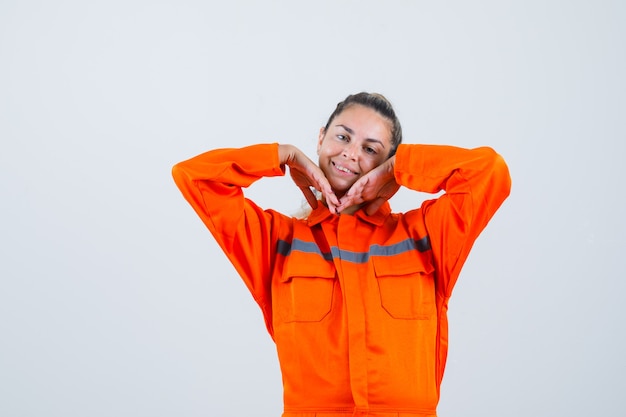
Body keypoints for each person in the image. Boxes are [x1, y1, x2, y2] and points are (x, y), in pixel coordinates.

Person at [172, 92, 511, 417]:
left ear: (387, 160)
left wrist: (400, 168)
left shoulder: (425, 235)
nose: (351, 154)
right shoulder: (276, 241)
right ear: (320, 138)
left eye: (370, 149)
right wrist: (283, 155)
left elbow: (489, 173)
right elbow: (194, 176)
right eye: (343, 137)